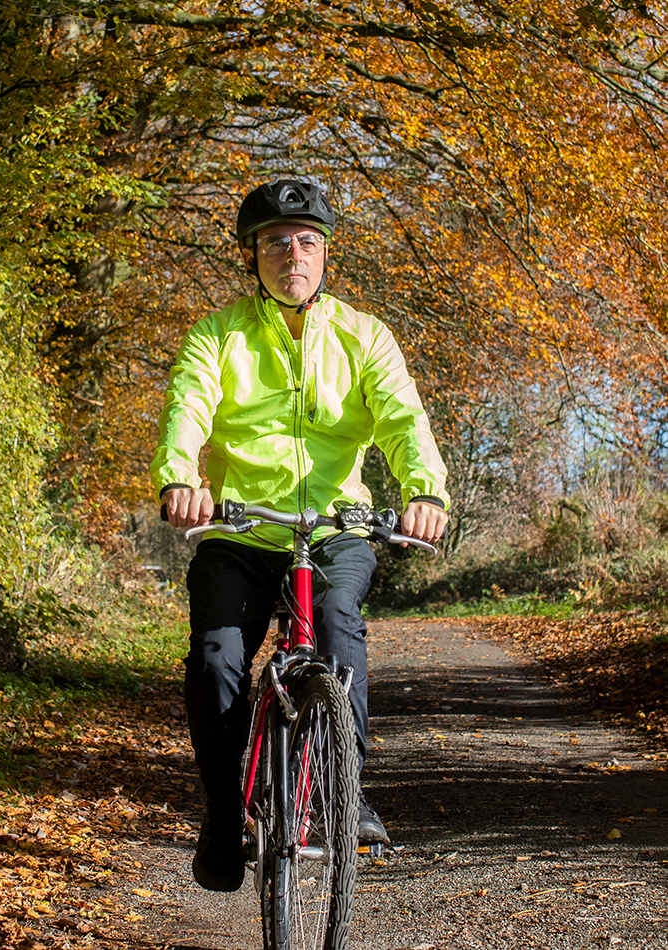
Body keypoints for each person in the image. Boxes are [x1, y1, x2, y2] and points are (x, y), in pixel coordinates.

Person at [150, 179, 450, 892]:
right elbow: (187, 407)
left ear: (325, 257)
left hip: (335, 527)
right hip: (241, 529)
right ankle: (224, 814)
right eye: (276, 241)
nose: (293, 253)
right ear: (252, 256)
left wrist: (424, 492)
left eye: (307, 242)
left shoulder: (364, 336)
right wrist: (180, 480)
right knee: (217, 661)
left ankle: (346, 791)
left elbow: (404, 421)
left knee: (339, 626)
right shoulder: (217, 335)